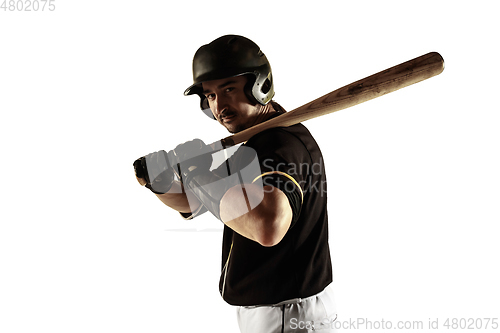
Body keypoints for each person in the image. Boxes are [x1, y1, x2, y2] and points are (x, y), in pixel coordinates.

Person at [134, 35, 337, 333]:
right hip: (277, 310)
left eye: (228, 89)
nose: (220, 106)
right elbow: (198, 202)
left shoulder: (281, 145)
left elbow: (268, 226)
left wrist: (195, 173)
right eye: (211, 95)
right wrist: (161, 182)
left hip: (288, 312)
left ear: (259, 85)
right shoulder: (253, 144)